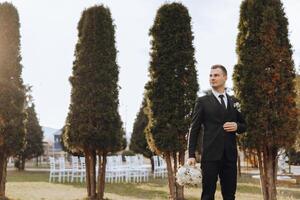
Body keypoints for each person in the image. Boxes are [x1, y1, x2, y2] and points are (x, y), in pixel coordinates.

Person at [187, 64, 246, 200]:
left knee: (230, 195)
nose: (212, 78)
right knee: (207, 195)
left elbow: (244, 125)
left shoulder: (234, 101)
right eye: (211, 75)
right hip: (210, 156)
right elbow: (194, 129)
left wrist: (237, 126)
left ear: (225, 78)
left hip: (230, 156)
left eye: (216, 75)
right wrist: (191, 154)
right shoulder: (202, 101)